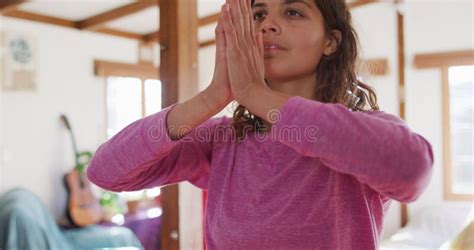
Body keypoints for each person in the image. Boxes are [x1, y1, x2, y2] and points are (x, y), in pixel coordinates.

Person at [87, 0, 434, 249]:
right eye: (258, 13)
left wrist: (254, 93)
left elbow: (412, 171)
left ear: (331, 41)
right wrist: (211, 97)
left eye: (293, 11)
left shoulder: (360, 133)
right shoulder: (222, 139)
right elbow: (106, 172)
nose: (268, 23)